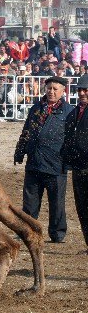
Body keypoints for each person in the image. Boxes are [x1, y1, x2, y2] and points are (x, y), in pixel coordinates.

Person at [14, 76, 74, 243]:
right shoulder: (36, 108)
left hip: (56, 164)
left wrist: (70, 160)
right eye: (49, 88)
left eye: (55, 89)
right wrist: (20, 152)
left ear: (63, 92)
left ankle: (57, 234)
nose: (51, 91)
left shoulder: (69, 112)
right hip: (34, 162)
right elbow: (26, 130)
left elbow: (72, 139)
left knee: (57, 203)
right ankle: (27, 231)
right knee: (30, 202)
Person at [61, 75, 88, 251]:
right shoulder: (74, 113)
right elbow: (67, 138)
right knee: (82, 208)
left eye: (85, 90)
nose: (82, 93)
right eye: (80, 90)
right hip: (78, 167)